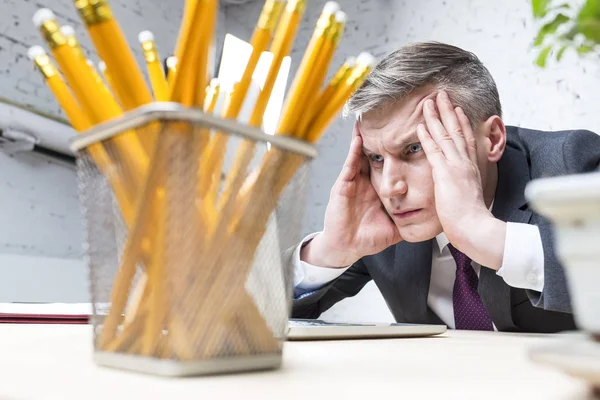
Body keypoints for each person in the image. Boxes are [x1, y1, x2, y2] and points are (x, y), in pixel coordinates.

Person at [289, 41, 600, 332]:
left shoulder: (570, 163)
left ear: (491, 139)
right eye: (376, 158)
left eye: (414, 148)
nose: (390, 188)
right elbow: (253, 318)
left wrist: (487, 236)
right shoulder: (378, 220)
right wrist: (329, 250)